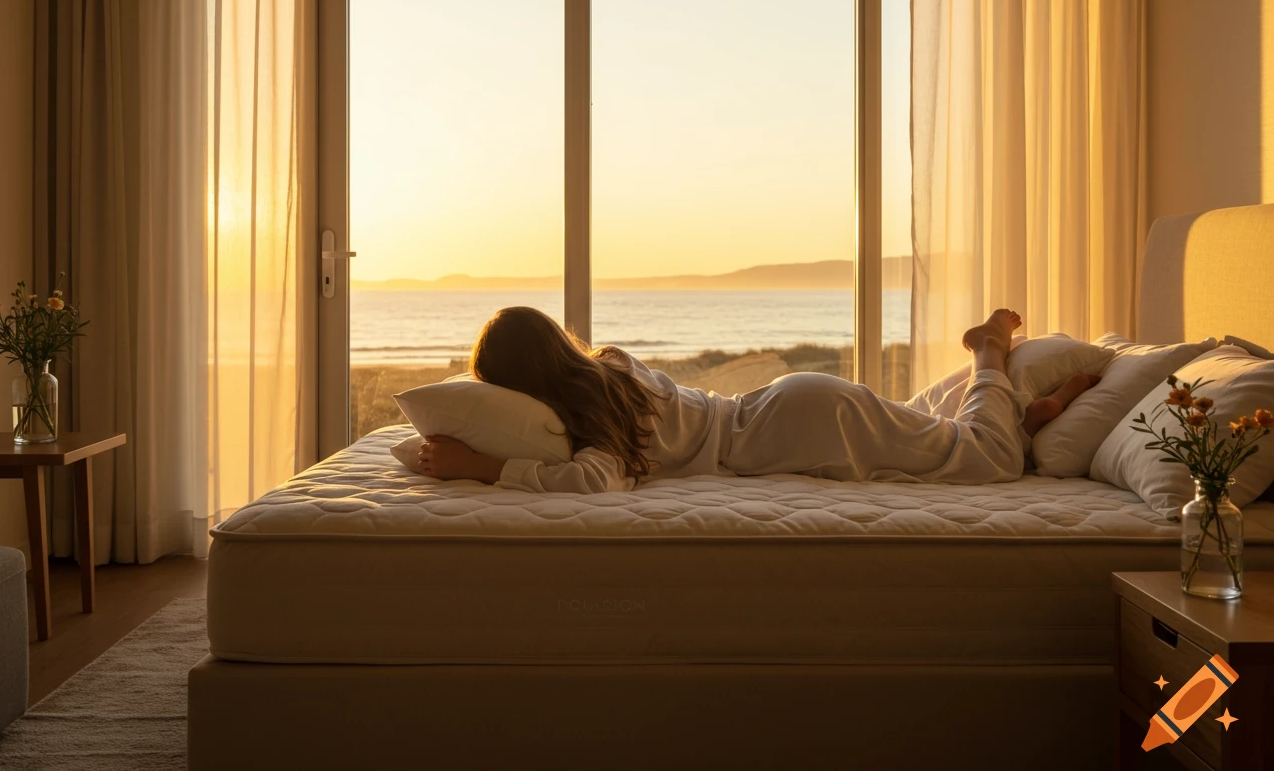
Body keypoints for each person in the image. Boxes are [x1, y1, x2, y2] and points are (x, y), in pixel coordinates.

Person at [414, 307, 1098, 493]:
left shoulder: (588, 413)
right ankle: (1022, 412)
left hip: (790, 433)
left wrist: (482, 467)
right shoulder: (609, 368)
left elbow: (597, 480)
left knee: (988, 462)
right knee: (933, 438)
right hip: (785, 409)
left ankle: (986, 352)